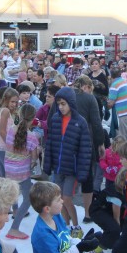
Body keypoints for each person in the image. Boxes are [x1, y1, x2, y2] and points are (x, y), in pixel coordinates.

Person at [43, 87, 93, 236]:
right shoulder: (56, 119)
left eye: (63, 103)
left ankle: (76, 226)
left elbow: (85, 148)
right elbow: (50, 142)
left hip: (72, 168)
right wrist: (48, 163)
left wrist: (82, 171)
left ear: (71, 103)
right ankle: (66, 225)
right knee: (58, 199)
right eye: (58, 104)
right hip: (58, 167)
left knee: (66, 197)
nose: (60, 107)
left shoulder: (80, 122)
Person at [5, 103, 40, 239]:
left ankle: (15, 212)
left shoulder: (10, 130)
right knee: (28, 198)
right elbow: (34, 158)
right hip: (22, 172)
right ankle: (14, 228)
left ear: (19, 115)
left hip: (9, 169)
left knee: (14, 193)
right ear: (33, 118)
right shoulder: (32, 136)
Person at [107, 68, 127, 140]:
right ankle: (126, 150)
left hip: (120, 114)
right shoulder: (125, 83)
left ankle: (121, 151)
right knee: (126, 135)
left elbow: (111, 103)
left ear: (111, 76)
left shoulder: (114, 85)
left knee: (120, 137)